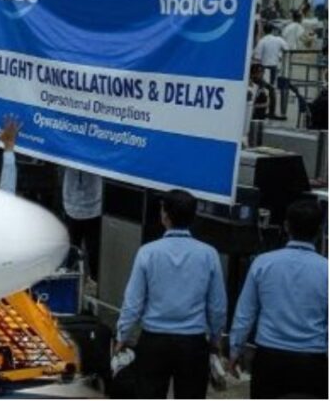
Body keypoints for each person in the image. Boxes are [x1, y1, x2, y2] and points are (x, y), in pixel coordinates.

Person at [116, 190, 227, 399]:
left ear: (165, 215)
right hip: (193, 343)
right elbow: (217, 306)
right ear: (193, 217)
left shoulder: (148, 252)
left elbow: (133, 302)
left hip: (154, 341)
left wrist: (122, 335)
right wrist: (215, 339)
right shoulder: (209, 254)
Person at [228, 200, 327, 399]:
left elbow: (245, 313)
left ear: (286, 226)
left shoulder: (263, 263)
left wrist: (235, 350)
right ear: (319, 231)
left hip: (269, 359)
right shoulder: (326, 270)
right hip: (312, 361)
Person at [61, 169, 103, 281]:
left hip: (94, 207)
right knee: (72, 249)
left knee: (94, 250)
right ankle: (71, 280)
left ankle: (94, 280)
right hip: (71, 204)